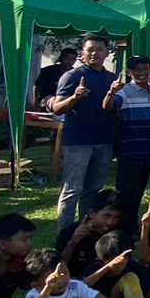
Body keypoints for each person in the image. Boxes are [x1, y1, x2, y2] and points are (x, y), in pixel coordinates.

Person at [50, 36, 118, 229]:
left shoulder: (112, 79)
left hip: (103, 141)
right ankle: (66, 232)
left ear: (107, 53)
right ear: (82, 53)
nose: (94, 53)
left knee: (93, 189)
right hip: (78, 142)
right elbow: (57, 108)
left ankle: (86, 227)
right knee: (72, 190)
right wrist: (74, 97)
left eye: (99, 49)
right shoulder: (72, 76)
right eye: (90, 50)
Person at [103, 54, 150, 220]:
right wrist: (110, 93)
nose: (141, 72)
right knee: (126, 192)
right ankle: (121, 226)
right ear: (129, 72)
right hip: (130, 150)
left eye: (144, 68)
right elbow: (108, 107)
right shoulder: (125, 91)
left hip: (148, 149)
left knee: (139, 190)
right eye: (136, 69)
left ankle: (132, 223)